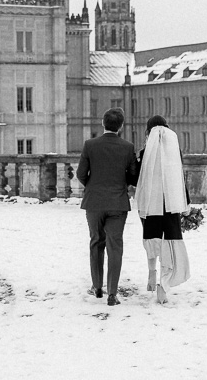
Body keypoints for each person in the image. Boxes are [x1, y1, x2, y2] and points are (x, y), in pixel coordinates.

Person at [76, 108, 139, 307]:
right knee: (115, 247)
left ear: (103, 124)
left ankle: (97, 287)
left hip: (94, 202)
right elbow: (133, 176)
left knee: (96, 242)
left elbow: (80, 173)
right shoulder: (127, 147)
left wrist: (93, 186)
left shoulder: (90, 145)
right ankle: (112, 293)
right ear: (121, 126)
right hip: (117, 202)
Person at [134, 115, 191, 304]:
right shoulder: (175, 152)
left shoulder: (144, 153)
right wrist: (186, 203)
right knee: (170, 243)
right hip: (172, 204)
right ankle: (163, 285)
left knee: (152, 239)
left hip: (151, 204)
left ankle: (151, 272)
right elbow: (180, 179)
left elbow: (137, 180)